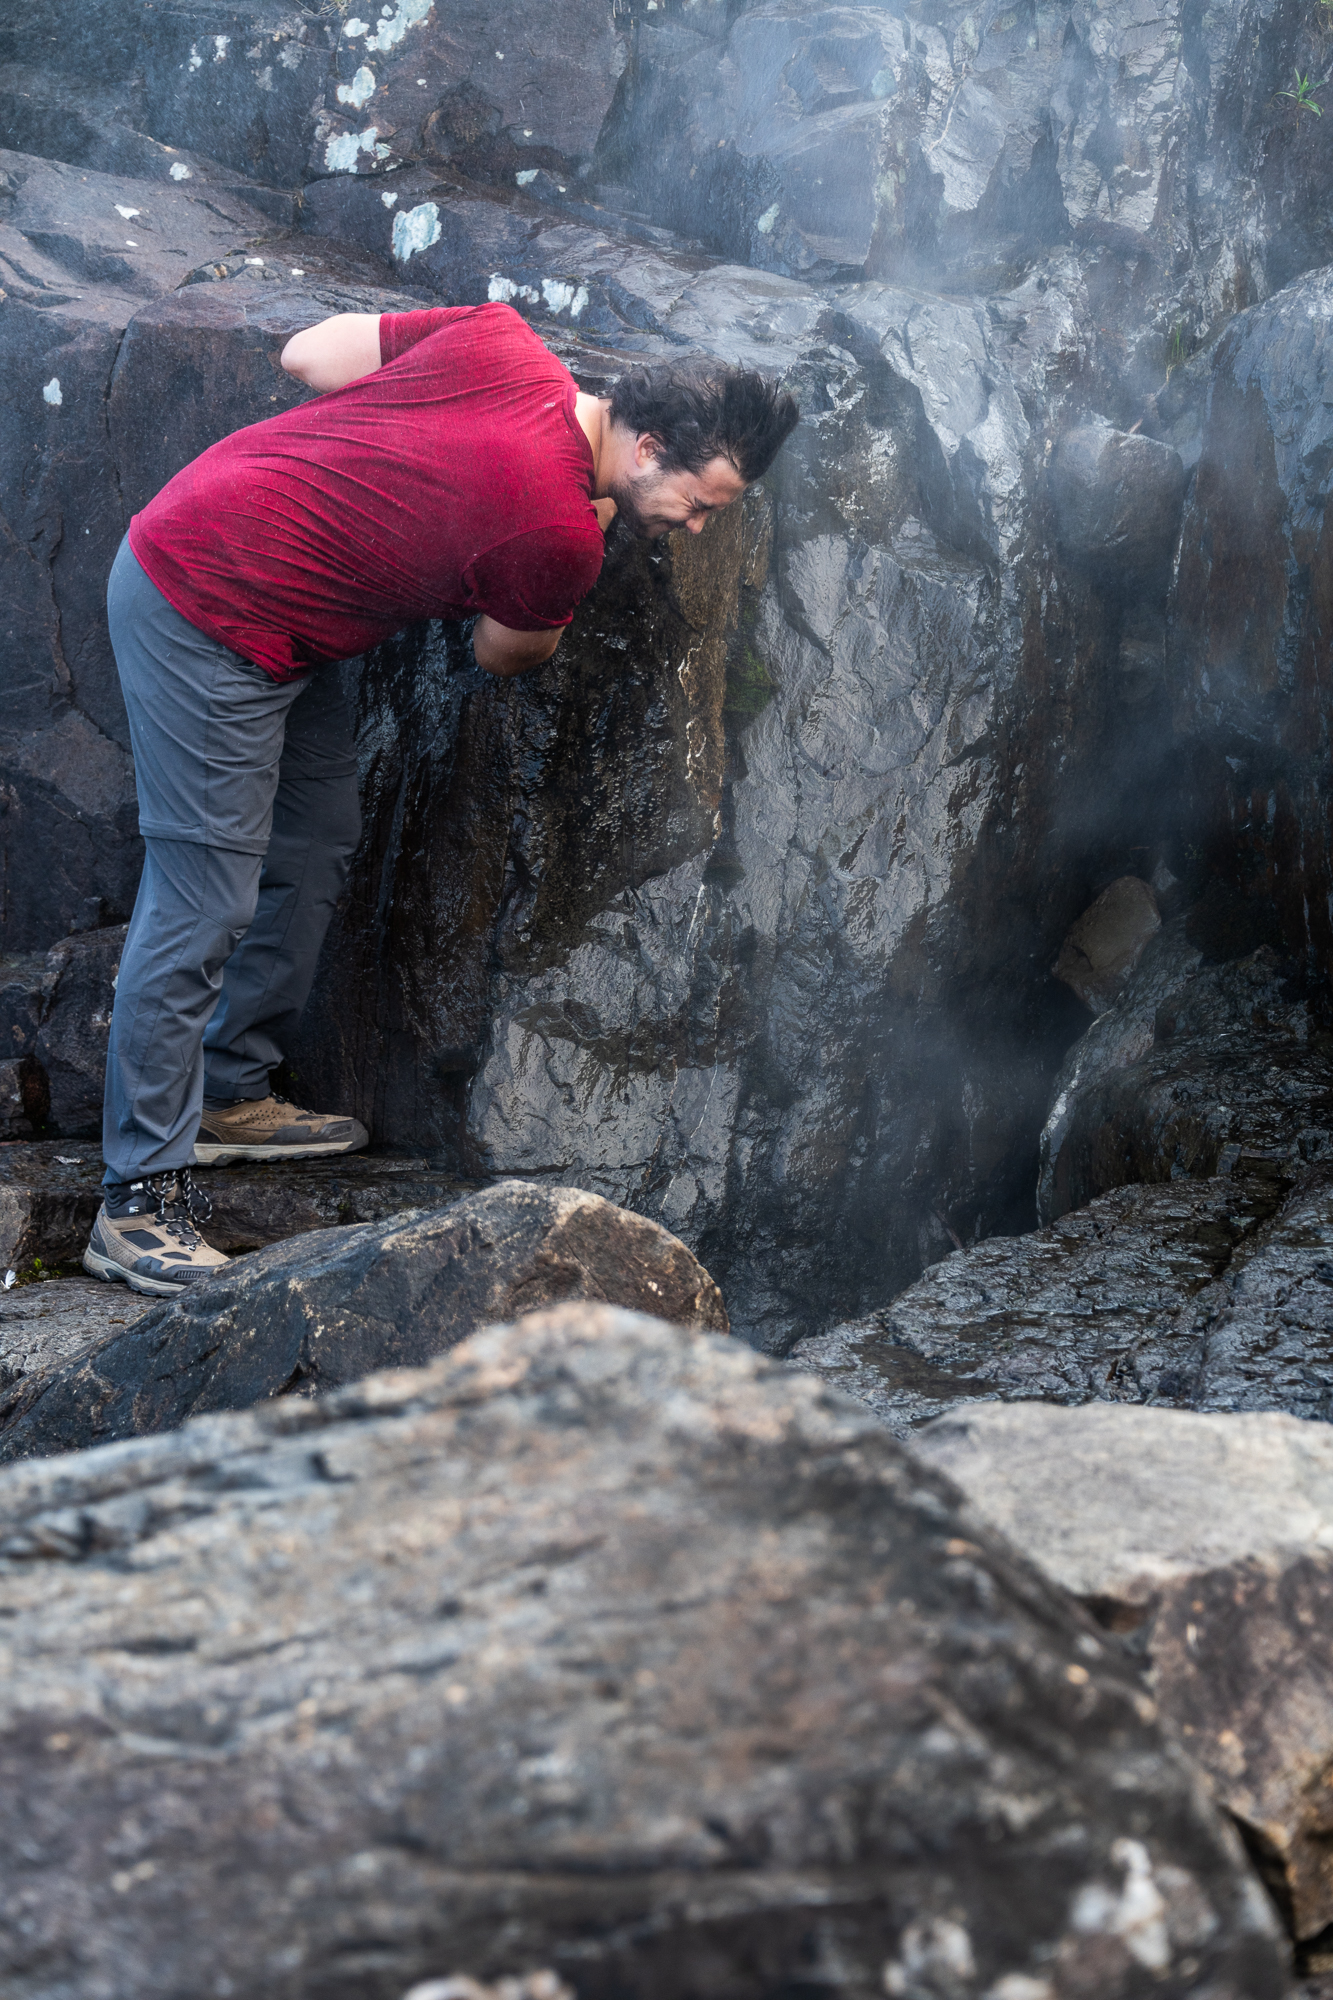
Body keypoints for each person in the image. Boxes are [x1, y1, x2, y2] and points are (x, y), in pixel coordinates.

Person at [84, 301, 800, 1297]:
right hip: (204, 606)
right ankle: (138, 1202)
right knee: (203, 897)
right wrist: (567, 528)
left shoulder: (502, 341)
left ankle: (228, 1091)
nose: (699, 523)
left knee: (317, 839)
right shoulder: (555, 535)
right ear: (644, 447)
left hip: (271, 588)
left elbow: (307, 354)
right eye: (704, 500)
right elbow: (506, 651)